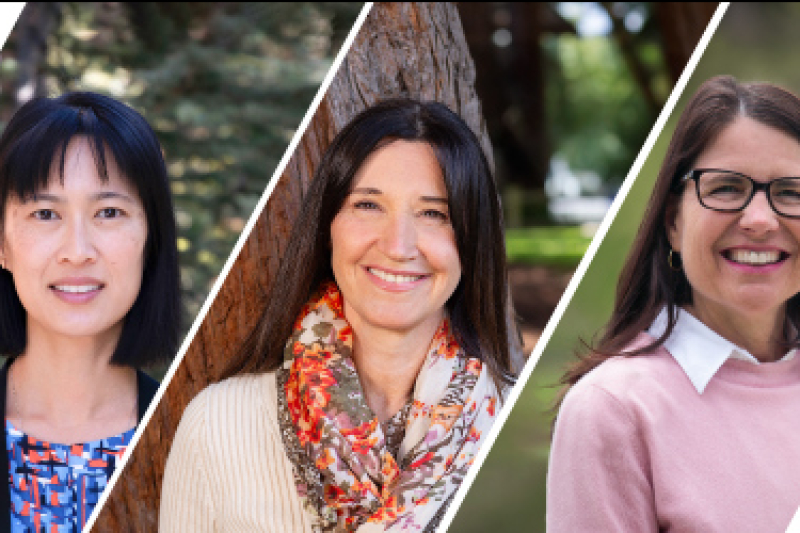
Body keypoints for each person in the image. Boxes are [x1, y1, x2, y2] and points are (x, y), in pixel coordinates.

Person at [160, 98, 515, 532]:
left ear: (471, 242)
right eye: (368, 205)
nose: (398, 246)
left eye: (433, 214)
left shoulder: (518, 428)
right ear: (329, 226)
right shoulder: (217, 424)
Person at [547, 75, 800, 532]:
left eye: (792, 192)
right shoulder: (615, 410)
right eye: (726, 188)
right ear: (673, 223)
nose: (761, 220)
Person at [0, 92, 180, 532]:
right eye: (45, 213)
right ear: (1, 244)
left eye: (109, 212)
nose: (77, 252)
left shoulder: (198, 439)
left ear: (149, 239)